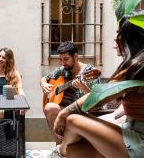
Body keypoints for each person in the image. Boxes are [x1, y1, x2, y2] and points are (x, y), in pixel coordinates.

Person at [53, 11, 144, 158]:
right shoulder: (135, 67)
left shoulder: (138, 68)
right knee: (74, 151)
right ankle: (63, 150)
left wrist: (63, 113)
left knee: (72, 119)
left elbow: (98, 97)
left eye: (119, 35)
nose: (115, 41)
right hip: (129, 128)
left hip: (139, 140)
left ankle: (60, 150)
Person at [40, 41, 100, 144]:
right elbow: (44, 78)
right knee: (49, 107)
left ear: (75, 56)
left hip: (84, 111)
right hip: (66, 110)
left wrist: (83, 88)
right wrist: (44, 84)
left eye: (66, 59)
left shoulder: (90, 71)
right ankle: (60, 146)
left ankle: (65, 147)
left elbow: (96, 102)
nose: (63, 63)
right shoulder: (64, 69)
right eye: (61, 59)